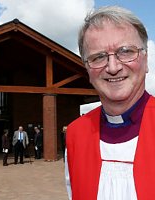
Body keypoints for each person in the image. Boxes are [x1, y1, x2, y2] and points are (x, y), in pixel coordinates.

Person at [65, 5, 155, 200]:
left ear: (145, 61)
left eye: (126, 51)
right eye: (98, 57)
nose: (113, 67)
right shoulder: (75, 135)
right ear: (87, 70)